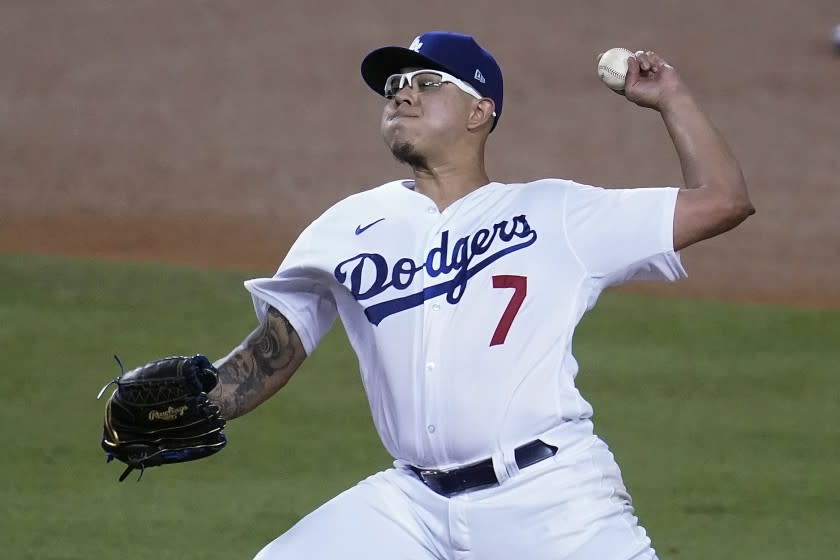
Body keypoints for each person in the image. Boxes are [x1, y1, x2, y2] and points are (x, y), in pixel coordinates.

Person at [208, 31, 754, 559]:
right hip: (411, 507)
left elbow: (723, 199)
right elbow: (272, 351)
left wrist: (671, 98)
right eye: (396, 83)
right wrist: (195, 402)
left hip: (549, 500)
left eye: (426, 82)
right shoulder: (346, 226)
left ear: (479, 112)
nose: (402, 92)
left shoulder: (556, 214)